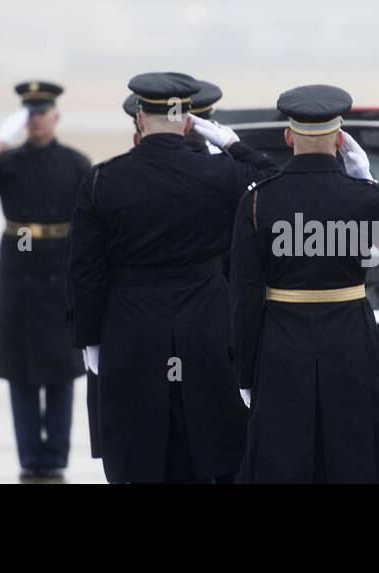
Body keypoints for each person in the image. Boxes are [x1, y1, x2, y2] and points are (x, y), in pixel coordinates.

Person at [67, 72, 276, 483]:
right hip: (205, 330)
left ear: (140, 120)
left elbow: (84, 271)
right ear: (187, 121)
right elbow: (274, 186)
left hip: (132, 332)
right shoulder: (223, 175)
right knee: (204, 448)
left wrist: (89, 339)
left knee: (139, 451)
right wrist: (233, 145)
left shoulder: (102, 181)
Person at [230, 84, 379, 483]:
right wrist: (368, 181)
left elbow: (245, 297)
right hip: (350, 341)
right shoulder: (361, 197)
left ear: (288, 137)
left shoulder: (258, 200)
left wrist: (246, 375)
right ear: (340, 138)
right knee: (354, 452)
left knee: (283, 456)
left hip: (282, 344)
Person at [0, 81, 90, 483]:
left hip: (61, 267)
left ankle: (56, 456)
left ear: (56, 116)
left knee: (63, 370)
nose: (36, 120)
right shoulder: (8, 162)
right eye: (29, 114)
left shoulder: (75, 163)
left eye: (42, 112)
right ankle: (31, 456)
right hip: (19, 271)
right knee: (21, 368)